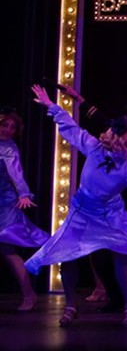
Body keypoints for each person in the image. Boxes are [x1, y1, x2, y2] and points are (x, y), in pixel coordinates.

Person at [26, 85, 127, 327]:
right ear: (118, 141)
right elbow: (71, 128)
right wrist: (51, 104)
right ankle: (71, 305)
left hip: (111, 216)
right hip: (81, 214)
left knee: (122, 258)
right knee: (67, 257)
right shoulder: (94, 148)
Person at [1, 106, 47, 311]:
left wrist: (24, 194)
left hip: (5, 203)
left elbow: (16, 173)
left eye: (12, 127)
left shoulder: (9, 149)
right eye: (5, 125)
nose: (8, 130)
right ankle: (29, 294)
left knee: (7, 249)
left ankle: (29, 294)